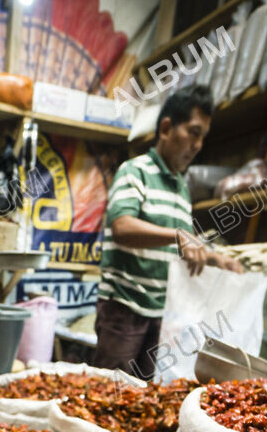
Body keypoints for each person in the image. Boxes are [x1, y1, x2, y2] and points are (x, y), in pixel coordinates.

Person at [94, 85, 243, 380]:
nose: (198, 144)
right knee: (109, 394)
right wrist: (177, 235)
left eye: (203, 137)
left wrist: (216, 259)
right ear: (166, 128)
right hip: (124, 310)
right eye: (193, 132)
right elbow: (121, 226)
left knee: (144, 400)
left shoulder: (180, 188)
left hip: (160, 314)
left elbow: (182, 245)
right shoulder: (135, 171)